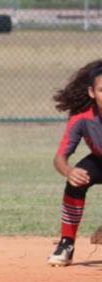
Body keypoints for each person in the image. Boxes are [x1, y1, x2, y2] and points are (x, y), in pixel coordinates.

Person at [48, 58, 102, 266]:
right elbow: (60, 158)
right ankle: (66, 244)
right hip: (99, 162)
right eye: (101, 90)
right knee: (76, 180)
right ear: (91, 92)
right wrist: (69, 172)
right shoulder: (82, 118)